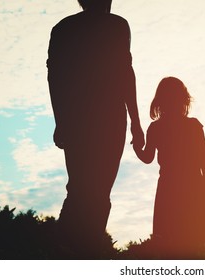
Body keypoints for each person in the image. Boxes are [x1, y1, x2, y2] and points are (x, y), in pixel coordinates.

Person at [47, 0, 144, 256]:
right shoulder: (117, 26)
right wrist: (135, 122)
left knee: (80, 187)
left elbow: (54, 79)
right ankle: (80, 251)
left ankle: (69, 250)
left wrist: (61, 120)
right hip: (109, 120)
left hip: (78, 121)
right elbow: (126, 74)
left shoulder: (62, 29)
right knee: (97, 192)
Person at [133, 77, 205, 258]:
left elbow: (147, 157)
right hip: (190, 185)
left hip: (170, 187)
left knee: (171, 241)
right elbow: (204, 159)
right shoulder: (191, 126)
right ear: (183, 99)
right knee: (197, 243)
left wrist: (137, 147)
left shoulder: (156, 128)